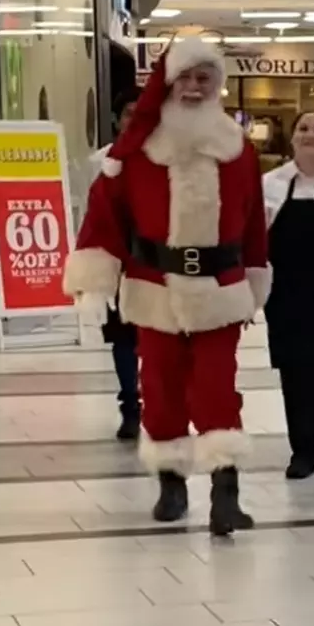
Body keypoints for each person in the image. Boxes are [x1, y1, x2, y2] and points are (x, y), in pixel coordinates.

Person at [63, 38, 271, 536]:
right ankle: (171, 486)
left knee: (218, 389)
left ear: (217, 84)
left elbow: (254, 227)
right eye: (186, 78)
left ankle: (226, 493)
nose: (195, 87)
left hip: (219, 291)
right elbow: (104, 215)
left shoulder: (238, 151)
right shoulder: (137, 151)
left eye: (205, 77)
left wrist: (257, 279)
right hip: (154, 288)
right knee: (159, 390)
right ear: (170, 83)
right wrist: (95, 283)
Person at [263, 111, 314, 480]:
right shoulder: (270, 184)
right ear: (292, 138)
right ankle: (303, 449)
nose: (310, 135)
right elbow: (254, 241)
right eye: (303, 129)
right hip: (287, 294)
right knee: (295, 373)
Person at [89, 87, 141, 441]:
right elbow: (90, 213)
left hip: (158, 262)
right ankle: (131, 408)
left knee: (158, 340)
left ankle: (161, 404)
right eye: (128, 114)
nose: (134, 121)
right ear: (116, 120)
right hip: (119, 264)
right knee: (123, 339)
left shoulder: (167, 158)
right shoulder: (102, 161)